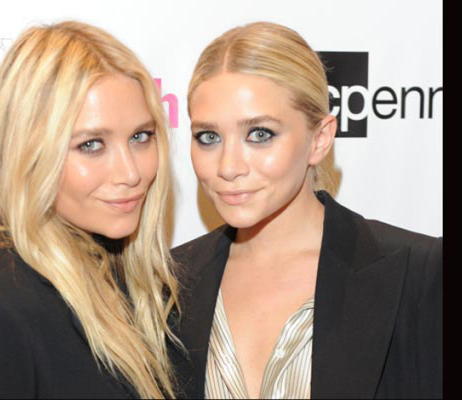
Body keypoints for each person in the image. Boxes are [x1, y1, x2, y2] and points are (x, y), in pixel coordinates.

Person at [172, 22, 442, 399]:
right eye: (209, 137)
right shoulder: (166, 284)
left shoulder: (422, 275)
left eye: (260, 134)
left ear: (320, 139)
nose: (228, 166)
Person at [0, 21, 188, 399]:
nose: (131, 173)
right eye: (91, 145)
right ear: (28, 152)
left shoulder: (138, 282)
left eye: (140, 137)